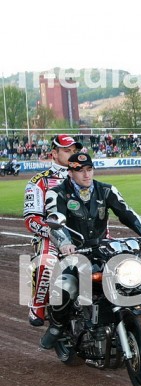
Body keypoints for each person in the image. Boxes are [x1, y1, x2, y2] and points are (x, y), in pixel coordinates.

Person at [40, 153, 141, 348]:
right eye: (80, 171)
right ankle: (57, 326)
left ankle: (136, 319)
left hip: (102, 248)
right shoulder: (58, 193)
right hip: (74, 252)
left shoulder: (106, 190)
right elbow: (56, 221)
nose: (86, 175)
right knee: (65, 288)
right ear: (71, 172)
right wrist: (64, 243)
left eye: (89, 170)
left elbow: (126, 212)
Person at [23, 135, 82, 327]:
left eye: (74, 150)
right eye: (67, 151)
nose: (72, 154)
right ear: (54, 154)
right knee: (47, 260)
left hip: (81, 234)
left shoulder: (83, 178)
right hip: (50, 234)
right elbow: (32, 219)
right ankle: (37, 304)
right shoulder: (38, 181)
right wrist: (52, 233)